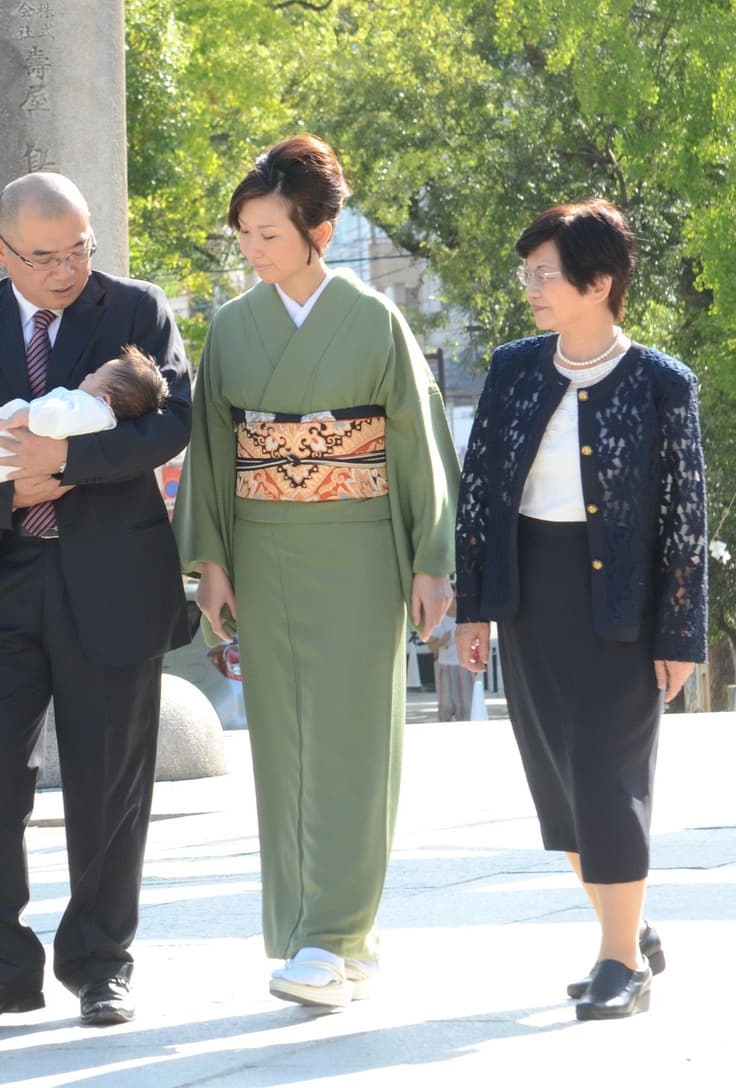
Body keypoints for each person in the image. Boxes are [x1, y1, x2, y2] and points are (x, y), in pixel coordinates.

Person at [173, 135, 459, 1010]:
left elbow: (416, 441)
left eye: (268, 232)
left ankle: (338, 935)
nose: (254, 250)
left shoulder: (374, 320)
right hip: (263, 546)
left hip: (360, 544)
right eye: (246, 235)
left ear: (319, 230)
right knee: (285, 746)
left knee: (352, 739)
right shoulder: (231, 328)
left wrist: (431, 558)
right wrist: (211, 561)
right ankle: (313, 934)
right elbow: (215, 453)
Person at [0, 172, 193, 1028]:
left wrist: (62, 469)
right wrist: (15, 491)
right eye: (45, 256)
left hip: (109, 577)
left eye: (80, 249)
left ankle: (100, 963)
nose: (67, 269)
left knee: (109, 783)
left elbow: (168, 422)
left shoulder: (136, 311)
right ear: (1, 252)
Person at [454, 198, 707, 1022]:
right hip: (532, 596)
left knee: (610, 778)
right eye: (527, 272)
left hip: (623, 606)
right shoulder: (515, 368)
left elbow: (684, 517)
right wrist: (473, 606)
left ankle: (617, 962)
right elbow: (481, 494)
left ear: (599, 284)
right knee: (560, 787)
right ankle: (628, 930)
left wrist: (680, 631)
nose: (531, 287)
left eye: (546, 274)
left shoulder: (663, 384)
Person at [0, 344, 169, 483]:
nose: (88, 376)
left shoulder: (94, 410)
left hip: (17, 440)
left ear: (105, 399)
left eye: (96, 375)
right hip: (13, 458)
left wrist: (28, 415)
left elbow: (56, 418)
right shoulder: (98, 414)